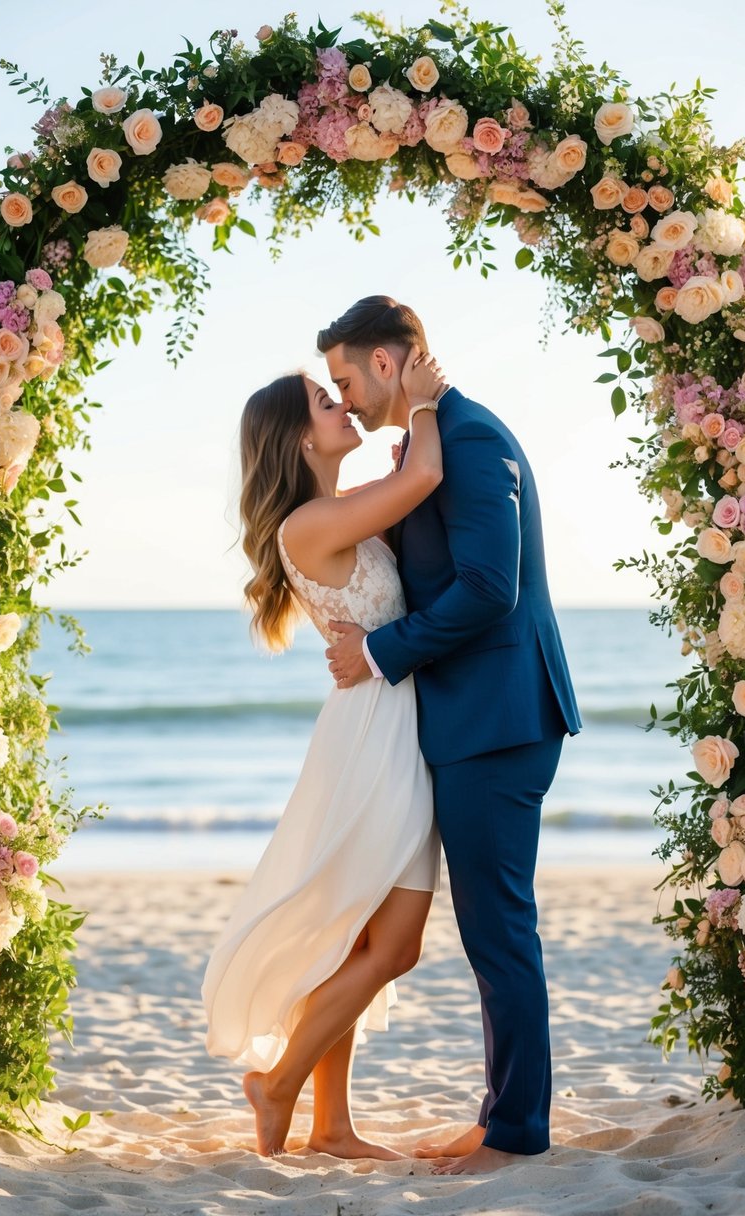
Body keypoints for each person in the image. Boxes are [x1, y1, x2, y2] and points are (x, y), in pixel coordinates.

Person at [321, 295, 582, 1175]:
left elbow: (486, 589)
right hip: (473, 718)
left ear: (387, 364)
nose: (345, 397)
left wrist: (379, 652)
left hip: (499, 718)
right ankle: (502, 1116)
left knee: (499, 930)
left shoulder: (468, 440)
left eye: (346, 379)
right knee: (489, 930)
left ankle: (514, 1133)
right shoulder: (430, 440)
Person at [201, 349, 447, 1160]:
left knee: (352, 938)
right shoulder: (306, 524)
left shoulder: (336, 510)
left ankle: (330, 1124)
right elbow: (418, 485)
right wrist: (418, 404)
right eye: (322, 398)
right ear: (299, 441)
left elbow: (406, 503)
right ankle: (277, 1084)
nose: (340, 402)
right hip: (371, 743)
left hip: (384, 728)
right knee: (394, 944)